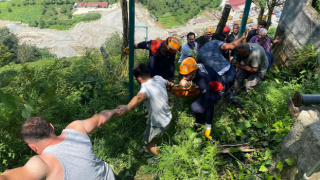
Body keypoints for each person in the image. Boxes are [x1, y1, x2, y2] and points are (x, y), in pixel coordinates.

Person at [0, 110, 119, 180]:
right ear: (52, 127)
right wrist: (116, 110)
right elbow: (99, 118)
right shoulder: (76, 128)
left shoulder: (42, 163)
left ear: (32, 147)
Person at [116, 63, 173, 155]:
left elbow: (139, 97)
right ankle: (157, 145)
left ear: (138, 79)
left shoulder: (145, 87)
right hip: (167, 118)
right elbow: (168, 83)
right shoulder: (159, 78)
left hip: (158, 123)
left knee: (148, 143)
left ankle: (162, 158)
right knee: (156, 135)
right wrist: (171, 85)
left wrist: (127, 107)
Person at [179, 57, 225, 140]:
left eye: (186, 76)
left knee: (196, 107)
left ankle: (202, 122)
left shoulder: (202, 81)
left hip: (217, 91)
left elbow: (210, 105)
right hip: (209, 86)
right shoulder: (195, 66)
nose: (184, 78)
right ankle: (199, 121)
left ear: (193, 72)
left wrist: (208, 127)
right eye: (182, 75)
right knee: (200, 100)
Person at [196, 31, 246, 97]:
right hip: (232, 71)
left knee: (227, 96)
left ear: (200, 44)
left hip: (222, 78)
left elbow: (195, 67)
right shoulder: (214, 42)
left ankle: (241, 103)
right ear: (208, 40)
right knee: (233, 91)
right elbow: (231, 46)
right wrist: (242, 37)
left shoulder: (200, 53)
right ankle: (241, 98)